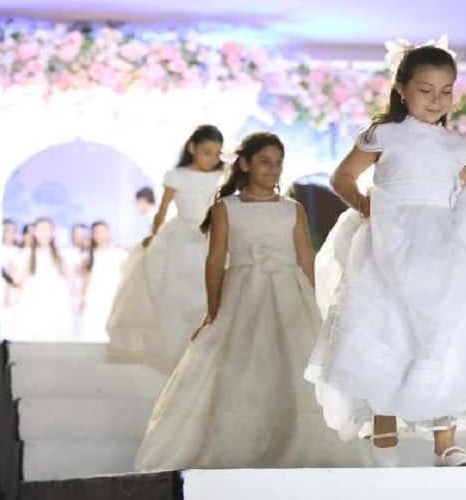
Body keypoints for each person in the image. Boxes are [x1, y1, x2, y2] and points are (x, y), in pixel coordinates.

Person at [305, 36, 466, 467]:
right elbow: (342, 177)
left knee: (446, 328)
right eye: (425, 90)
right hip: (390, 240)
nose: (436, 100)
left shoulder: (456, 145)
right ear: (401, 88)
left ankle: (445, 441)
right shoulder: (384, 134)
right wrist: (368, 206)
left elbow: (462, 190)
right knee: (389, 324)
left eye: (446, 91)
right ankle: (384, 433)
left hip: (443, 244)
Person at [135, 132, 363, 470]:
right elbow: (215, 261)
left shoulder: (292, 209)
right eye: (265, 162)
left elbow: (304, 258)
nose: (273, 169)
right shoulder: (226, 208)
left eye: (278, 163)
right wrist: (213, 310)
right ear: (245, 164)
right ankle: (240, 447)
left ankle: (297, 444)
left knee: (293, 365)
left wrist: (323, 304)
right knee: (244, 368)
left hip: (289, 296)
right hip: (243, 295)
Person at [107, 125, 224, 372]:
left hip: (209, 234)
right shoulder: (177, 176)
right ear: (193, 148)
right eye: (206, 152)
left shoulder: (219, 176)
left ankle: (200, 348)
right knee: (174, 290)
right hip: (180, 236)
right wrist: (153, 235)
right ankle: (171, 347)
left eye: (216, 153)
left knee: (204, 290)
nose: (212, 158)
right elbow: (161, 211)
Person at [8, 218, 77, 340]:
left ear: (53, 232)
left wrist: (78, 296)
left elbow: (70, 278)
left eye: (48, 229)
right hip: (35, 298)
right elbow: (19, 279)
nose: (45, 233)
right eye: (41, 229)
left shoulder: (61, 254)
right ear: (34, 232)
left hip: (57, 300)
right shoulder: (28, 253)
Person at [79, 221, 128, 341]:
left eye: (103, 231)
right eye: (96, 232)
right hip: (94, 299)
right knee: (93, 331)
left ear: (109, 233)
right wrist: (82, 297)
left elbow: (126, 277)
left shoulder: (119, 253)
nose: (100, 235)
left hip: (113, 297)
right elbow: (85, 279)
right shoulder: (88, 256)